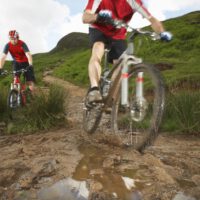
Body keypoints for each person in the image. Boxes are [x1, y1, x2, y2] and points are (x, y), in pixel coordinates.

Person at [82, 0, 172, 103]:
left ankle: (111, 100)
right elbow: (85, 17)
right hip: (98, 29)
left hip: (118, 34)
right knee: (98, 48)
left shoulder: (134, 1)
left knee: (120, 64)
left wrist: (162, 32)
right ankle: (94, 90)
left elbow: (152, 19)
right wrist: (98, 17)